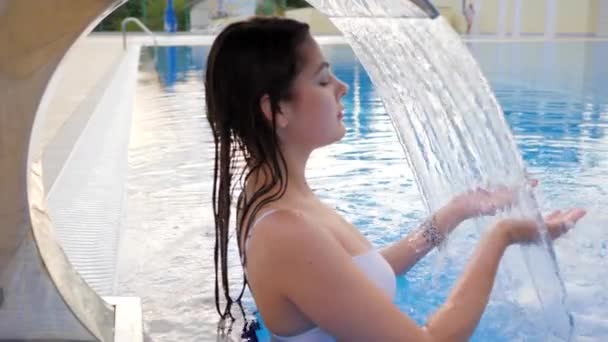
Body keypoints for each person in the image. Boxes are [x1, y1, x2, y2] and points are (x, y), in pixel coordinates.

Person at [206, 17, 585, 341]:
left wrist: (456, 212)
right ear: (276, 110)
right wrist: (500, 237)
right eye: (323, 81)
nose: (343, 87)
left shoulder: (276, 192)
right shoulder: (284, 230)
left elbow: (358, 274)